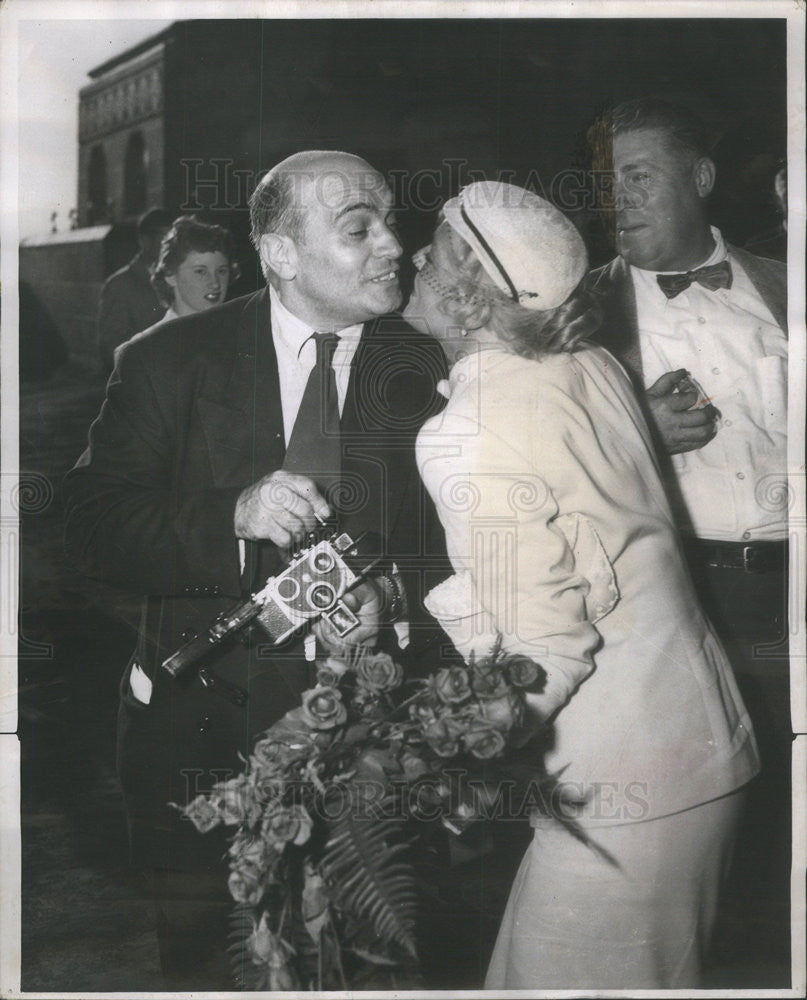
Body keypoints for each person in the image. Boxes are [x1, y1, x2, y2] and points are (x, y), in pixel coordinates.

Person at [63, 150, 449, 990]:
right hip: (198, 745)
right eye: (359, 228)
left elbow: (470, 541)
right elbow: (89, 526)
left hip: (375, 752)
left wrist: (395, 597)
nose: (394, 245)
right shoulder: (169, 361)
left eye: (391, 220)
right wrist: (229, 518)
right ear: (279, 253)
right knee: (211, 969)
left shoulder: (435, 365)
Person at [405, 180, 760, 989]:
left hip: (626, 790)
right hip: (698, 752)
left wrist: (443, 756)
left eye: (435, 252)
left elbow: (547, 646)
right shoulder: (587, 364)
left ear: (470, 303)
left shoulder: (464, 429)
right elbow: (591, 555)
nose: (415, 259)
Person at [584, 98, 790, 969]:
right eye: (609, 184)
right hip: (684, 599)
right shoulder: (576, 317)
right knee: (698, 842)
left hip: (799, 591)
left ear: (699, 179)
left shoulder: (786, 281)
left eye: (639, 177)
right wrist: (633, 432)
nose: (618, 200)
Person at [96, 207, 173, 371]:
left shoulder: (180, 278)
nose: (173, 246)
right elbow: (111, 350)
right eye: (165, 238)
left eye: (176, 238)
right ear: (144, 241)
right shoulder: (119, 285)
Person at [149, 214, 239, 323]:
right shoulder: (152, 339)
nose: (215, 284)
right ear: (170, 275)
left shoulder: (239, 334)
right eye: (201, 271)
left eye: (221, 271)